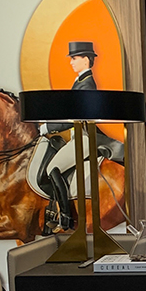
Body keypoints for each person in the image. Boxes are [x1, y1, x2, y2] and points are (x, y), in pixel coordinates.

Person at [40, 41, 98, 231]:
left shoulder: (87, 85)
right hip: (77, 137)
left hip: (84, 138)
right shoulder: (80, 81)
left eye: (74, 58)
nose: (71, 62)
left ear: (86, 60)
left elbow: (76, 116)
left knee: (52, 168)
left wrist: (49, 127)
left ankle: (65, 217)